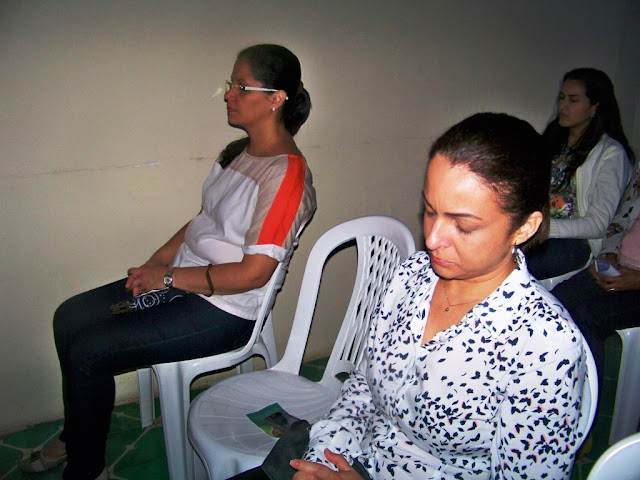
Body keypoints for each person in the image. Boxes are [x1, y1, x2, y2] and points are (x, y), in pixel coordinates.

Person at [232, 113, 589, 480]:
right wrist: (323, 459)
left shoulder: (545, 343)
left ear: (525, 227)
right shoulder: (413, 275)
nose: (432, 239)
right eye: (430, 211)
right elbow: (363, 387)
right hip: (354, 457)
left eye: (463, 226)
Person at [19, 43, 316, 480]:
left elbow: (254, 273)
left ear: (275, 99)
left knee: (90, 349)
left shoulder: (286, 175)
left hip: (224, 310)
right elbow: (204, 221)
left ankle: (84, 466)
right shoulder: (240, 152)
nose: (228, 94)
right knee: (70, 317)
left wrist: (169, 277)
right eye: (230, 84)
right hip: (183, 283)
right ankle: (77, 434)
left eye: (241, 86)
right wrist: (156, 263)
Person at [526, 68, 634, 280]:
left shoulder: (611, 154)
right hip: (537, 229)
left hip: (576, 242)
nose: (563, 106)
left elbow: (598, 224)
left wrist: (544, 228)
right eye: (562, 98)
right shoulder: (551, 141)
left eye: (573, 100)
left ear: (595, 107)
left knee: (513, 264)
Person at [552, 161, 640, 390]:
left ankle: (586, 400)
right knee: (554, 303)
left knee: (588, 316)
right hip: (619, 266)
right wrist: (607, 255)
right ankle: (550, 387)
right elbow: (621, 219)